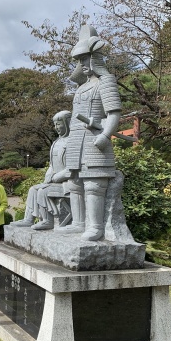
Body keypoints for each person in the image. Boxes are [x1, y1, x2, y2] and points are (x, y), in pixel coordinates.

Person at [62, 24, 121, 241]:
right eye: (79, 61)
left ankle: (96, 227)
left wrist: (105, 136)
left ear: (95, 58)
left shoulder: (106, 82)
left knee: (94, 184)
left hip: (95, 140)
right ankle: (79, 223)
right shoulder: (80, 88)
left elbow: (114, 113)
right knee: (75, 183)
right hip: (77, 141)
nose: (82, 64)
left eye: (85, 59)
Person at [11, 111, 71, 230]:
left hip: (69, 183)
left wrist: (55, 177)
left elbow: (71, 169)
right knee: (33, 189)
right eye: (55, 125)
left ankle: (48, 220)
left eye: (59, 124)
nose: (56, 128)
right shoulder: (56, 142)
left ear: (67, 123)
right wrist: (48, 176)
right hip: (55, 181)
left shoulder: (73, 142)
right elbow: (52, 165)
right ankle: (29, 219)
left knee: (42, 191)